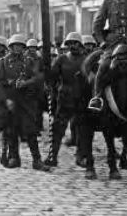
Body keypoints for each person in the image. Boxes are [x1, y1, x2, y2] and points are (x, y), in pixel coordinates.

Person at [0, 34, 50, 172]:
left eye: (20, 46)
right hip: (10, 102)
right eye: (14, 46)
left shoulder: (29, 62)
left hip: (26, 102)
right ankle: (14, 157)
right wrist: (5, 100)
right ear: (10, 47)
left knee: (30, 131)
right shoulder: (2, 62)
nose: (17, 48)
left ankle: (37, 160)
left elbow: (38, 78)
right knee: (11, 131)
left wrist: (26, 83)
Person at [45, 32, 86, 167]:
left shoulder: (87, 59)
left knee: (82, 129)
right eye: (69, 44)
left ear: (80, 45)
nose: (72, 46)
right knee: (58, 128)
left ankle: (80, 156)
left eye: (75, 43)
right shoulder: (61, 59)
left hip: (81, 98)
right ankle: (53, 156)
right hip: (65, 98)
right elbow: (52, 77)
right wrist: (49, 81)